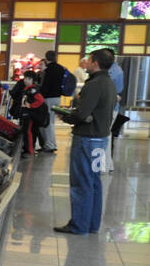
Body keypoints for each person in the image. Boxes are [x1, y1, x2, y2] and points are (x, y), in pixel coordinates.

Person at [54, 48, 118, 235]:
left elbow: (82, 114)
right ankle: (91, 224)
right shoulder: (109, 83)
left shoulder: (94, 84)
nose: (87, 63)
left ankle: (79, 225)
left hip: (87, 139)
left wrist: (65, 116)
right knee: (94, 182)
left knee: (81, 182)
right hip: (101, 139)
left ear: (96, 63)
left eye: (89, 60)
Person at [15, 70, 49, 157]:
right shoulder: (27, 89)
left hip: (30, 114)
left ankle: (29, 151)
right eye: (25, 78)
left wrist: (31, 106)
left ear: (33, 80)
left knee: (28, 131)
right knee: (27, 131)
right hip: (27, 114)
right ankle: (27, 148)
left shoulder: (33, 90)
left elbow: (40, 100)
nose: (26, 80)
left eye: (29, 79)